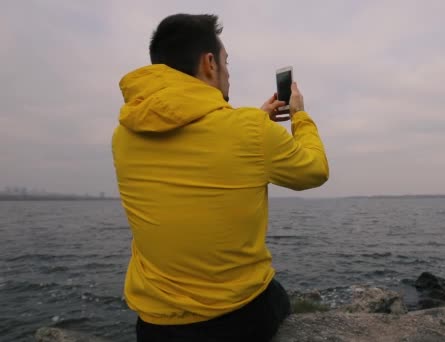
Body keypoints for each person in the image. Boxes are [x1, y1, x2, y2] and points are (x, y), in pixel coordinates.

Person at [112, 13, 329, 342]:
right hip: (236, 319)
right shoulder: (249, 131)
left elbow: (201, 145)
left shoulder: (124, 135)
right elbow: (314, 170)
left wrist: (255, 119)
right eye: (226, 62)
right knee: (279, 296)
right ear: (209, 63)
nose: (228, 73)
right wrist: (300, 116)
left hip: (156, 326)